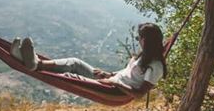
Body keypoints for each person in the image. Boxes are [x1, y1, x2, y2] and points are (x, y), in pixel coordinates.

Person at [10, 23, 167, 99]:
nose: (137, 39)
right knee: (74, 62)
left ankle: (28, 61)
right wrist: (109, 73)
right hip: (110, 80)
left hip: (113, 90)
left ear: (146, 40)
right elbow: (127, 72)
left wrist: (115, 83)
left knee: (72, 78)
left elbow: (139, 94)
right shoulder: (144, 55)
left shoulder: (155, 66)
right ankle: (36, 63)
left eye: (139, 37)